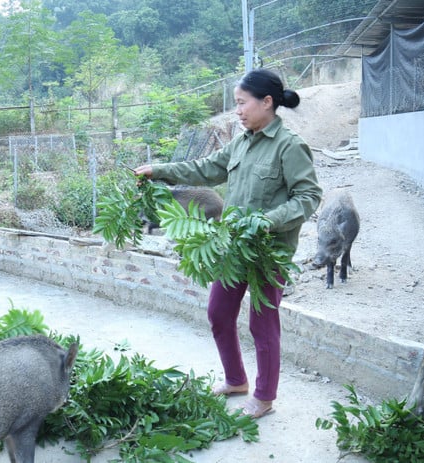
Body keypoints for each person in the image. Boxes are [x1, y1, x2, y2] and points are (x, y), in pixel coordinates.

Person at [133, 68, 323, 419]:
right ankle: (236, 380)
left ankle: (264, 397)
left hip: (269, 252)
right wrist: (158, 170)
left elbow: (309, 196)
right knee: (219, 312)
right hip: (233, 246)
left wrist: (268, 221)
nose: (237, 110)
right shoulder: (241, 142)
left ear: (267, 102)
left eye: (241, 103)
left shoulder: (290, 146)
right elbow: (204, 169)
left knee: (262, 323)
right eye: (236, 104)